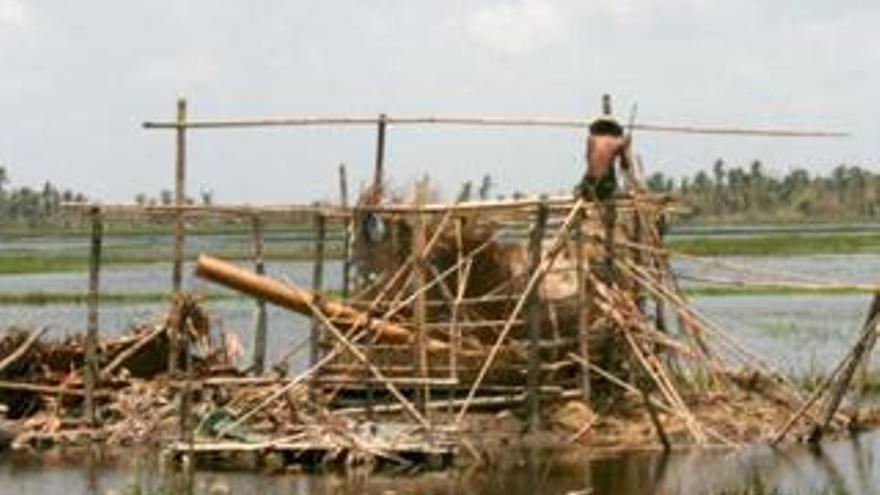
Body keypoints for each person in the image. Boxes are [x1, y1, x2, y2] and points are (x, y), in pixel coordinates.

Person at [577, 117, 630, 201]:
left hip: (588, 182)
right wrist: (625, 147)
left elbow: (588, 158)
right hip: (604, 183)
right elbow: (625, 166)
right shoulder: (618, 142)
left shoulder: (591, 140)